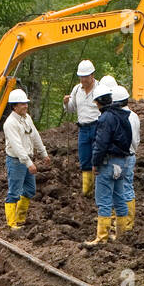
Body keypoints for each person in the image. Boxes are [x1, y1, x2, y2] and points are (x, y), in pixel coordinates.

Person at [86, 76, 134, 248]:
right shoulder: (123, 116)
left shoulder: (105, 119)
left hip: (107, 163)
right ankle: (122, 234)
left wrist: (95, 163)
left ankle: (102, 237)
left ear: (98, 102)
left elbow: (100, 144)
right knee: (119, 198)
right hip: (122, 162)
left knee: (104, 200)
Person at [2, 88, 50, 231]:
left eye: (26, 103)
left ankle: (20, 218)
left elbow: (35, 135)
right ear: (14, 106)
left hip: (27, 158)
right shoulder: (10, 124)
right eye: (22, 104)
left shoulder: (26, 118)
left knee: (29, 189)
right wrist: (29, 163)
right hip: (17, 161)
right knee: (14, 192)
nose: (25, 106)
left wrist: (43, 153)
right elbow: (17, 147)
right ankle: (11, 224)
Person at [63, 59, 101, 195]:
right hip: (83, 128)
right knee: (84, 159)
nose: (83, 80)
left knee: (98, 158)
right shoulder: (76, 89)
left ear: (92, 75)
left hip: (98, 126)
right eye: (81, 77)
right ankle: (87, 190)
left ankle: (100, 189)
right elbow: (71, 109)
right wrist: (66, 103)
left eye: (85, 77)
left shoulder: (100, 88)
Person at [108, 82, 140, 238]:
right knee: (128, 188)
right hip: (131, 155)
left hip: (120, 157)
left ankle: (123, 223)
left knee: (120, 189)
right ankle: (127, 222)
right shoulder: (134, 116)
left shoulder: (119, 118)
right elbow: (137, 140)